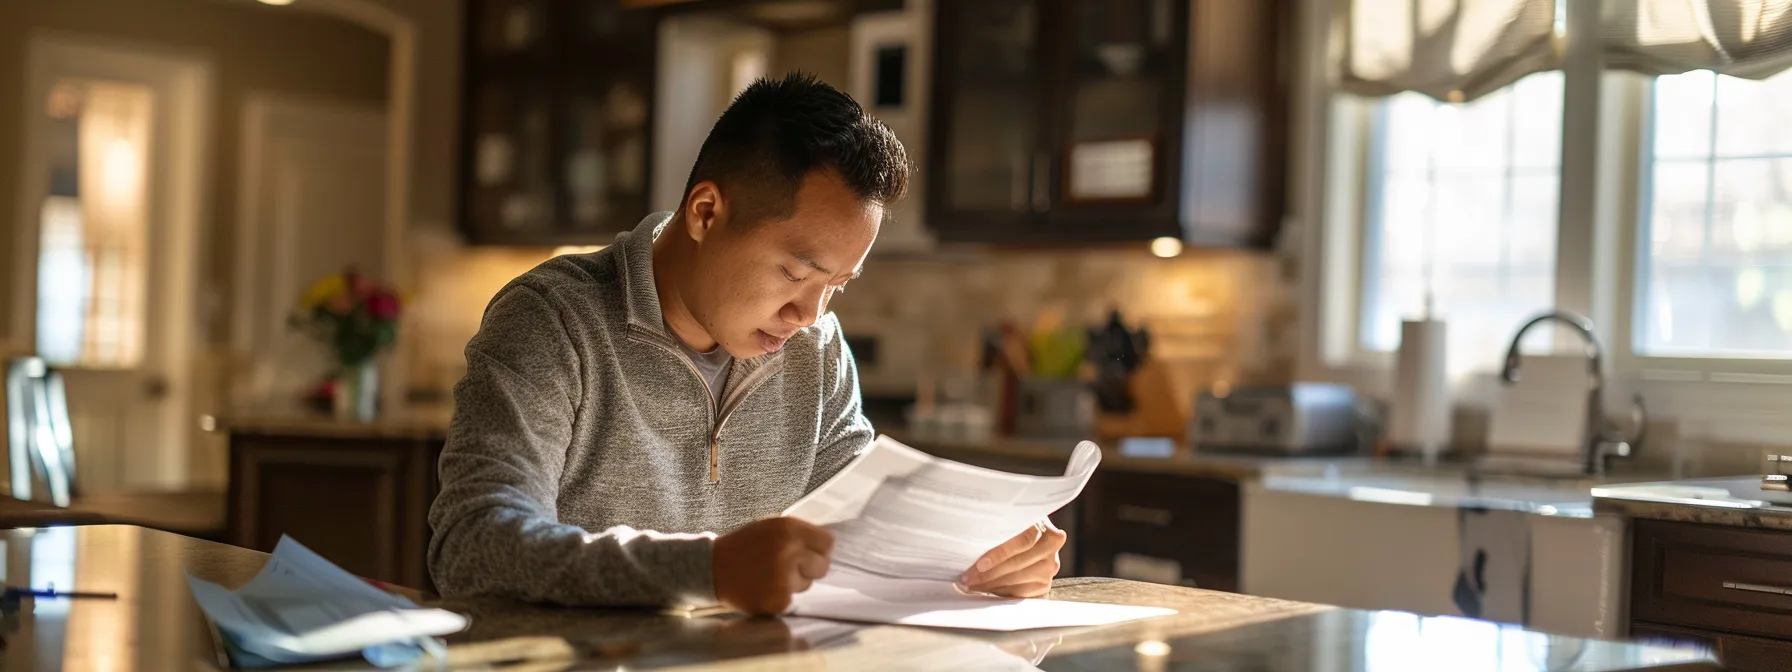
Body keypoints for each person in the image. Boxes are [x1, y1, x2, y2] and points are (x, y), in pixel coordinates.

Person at [427, 72, 1066, 615]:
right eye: (795, 272)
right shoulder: (553, 320)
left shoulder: (814, 349)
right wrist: (708, 571)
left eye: (837, 286)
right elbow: (473, 544)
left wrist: (976, 558)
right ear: (706, 212)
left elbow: (867, 526)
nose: (810, 313)